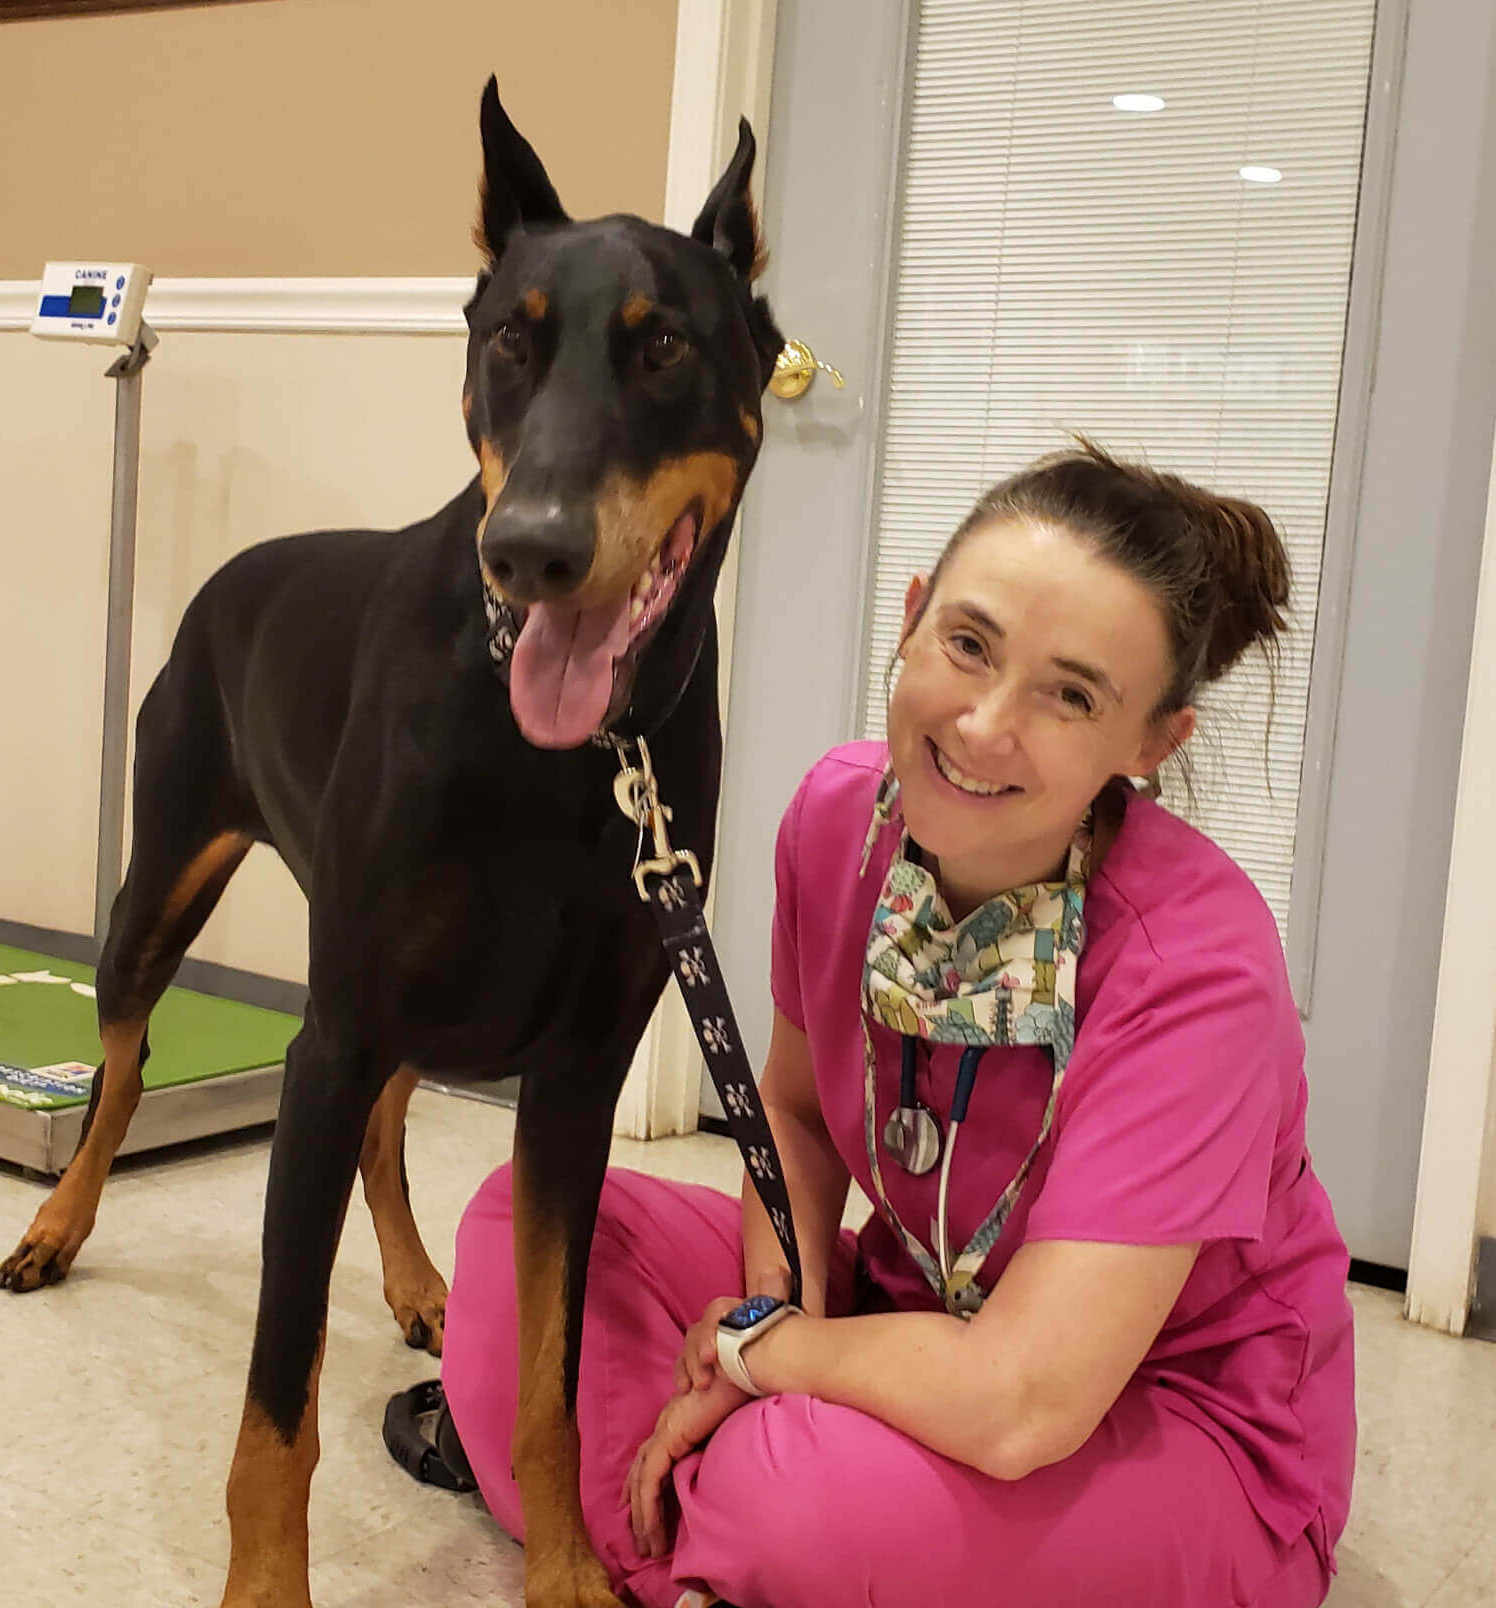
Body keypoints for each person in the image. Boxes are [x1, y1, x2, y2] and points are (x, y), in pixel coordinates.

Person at [441, 439, 1357, 1608]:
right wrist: (787, 1310)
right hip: (913, 1311)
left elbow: (1027, 1400)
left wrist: (758, 1355)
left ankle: (705, 1531)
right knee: (533, 1233)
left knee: (800, 1494)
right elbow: (794, 1112)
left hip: (1164, 1416)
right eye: (967, 645)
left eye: (1069, 695)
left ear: (1148, 746)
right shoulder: (834, 816)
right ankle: (706, 1564)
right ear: (911, 616)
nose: (981, 725)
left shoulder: (1200, 964)